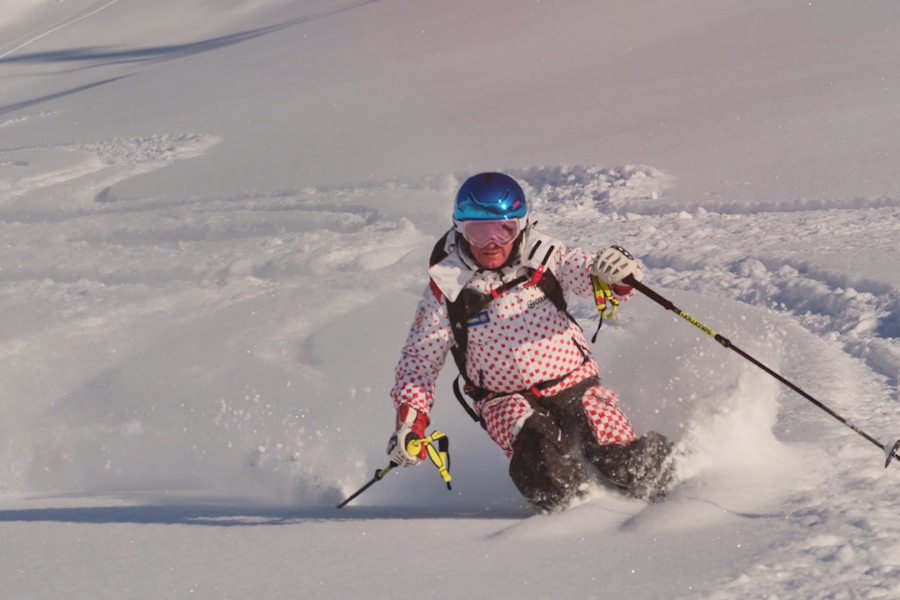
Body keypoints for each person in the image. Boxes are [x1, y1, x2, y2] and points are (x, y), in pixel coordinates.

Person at [387, 172, 674, 511]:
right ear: (459, 229)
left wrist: (616, 275)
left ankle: (680, 477)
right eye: (478, 232)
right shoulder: (446, 287)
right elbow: (418, 361)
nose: (491, 242)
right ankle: (587, 524)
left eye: (503, 230)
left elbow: (589, 275)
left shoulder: (545, 255)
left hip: (575, 382)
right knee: (543, 470)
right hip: (503, 400)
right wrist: (411, 423)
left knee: (624, 462)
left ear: (520, 227)